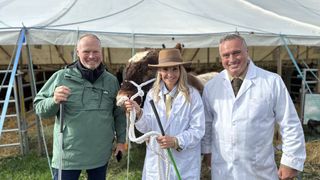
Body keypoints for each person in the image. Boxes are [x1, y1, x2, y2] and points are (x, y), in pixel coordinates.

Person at [201, 34, 306, 180]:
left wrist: (291, 161)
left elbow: (290, 123)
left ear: (247, 52)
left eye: (236, 52)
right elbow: (207, 123)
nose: (231, 59)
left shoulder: (271, 82)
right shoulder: (212, 86)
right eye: (226, 55)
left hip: (259, 170)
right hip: (223, 170)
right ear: (221, 58)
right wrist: (207, 151)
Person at [34, 34, 126, 180]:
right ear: (77, 53)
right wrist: (53, 100)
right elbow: (39, 108)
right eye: (86, 51)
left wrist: (121, 141)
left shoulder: (111, 80)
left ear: (101, 52)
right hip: (68, 155)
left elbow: (119, 113)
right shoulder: (62, 77)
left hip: (100, 153)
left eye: (96, 51)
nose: (91, 56)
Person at [124, 49, 205, 179]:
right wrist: (138, 113)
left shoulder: (193, 96)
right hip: (157, 161)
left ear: (180, 70)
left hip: (183, 162)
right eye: (165, 69)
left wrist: (176, 141)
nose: (170, 74)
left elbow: (198, 130)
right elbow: (147, 128)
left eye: (174, 69)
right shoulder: (152, 94)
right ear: (159, 72)